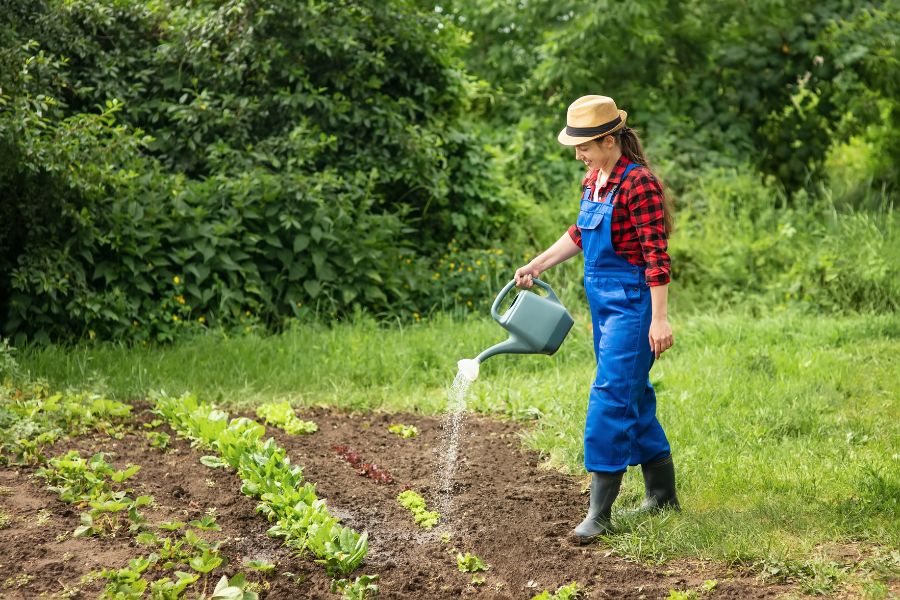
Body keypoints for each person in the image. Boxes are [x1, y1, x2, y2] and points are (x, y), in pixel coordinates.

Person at [514, 95, 679, 544]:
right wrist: (538, 264)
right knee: (633, 394)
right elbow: (579, 234)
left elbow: (656, 256)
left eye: (584, 145)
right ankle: (662, 496)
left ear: (609, 139)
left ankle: (599, 513)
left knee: (609, 396)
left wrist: (659, 320)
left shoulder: (637, 183)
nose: (577, 154)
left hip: (633, 304)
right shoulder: (595, 180)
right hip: (604, 309)